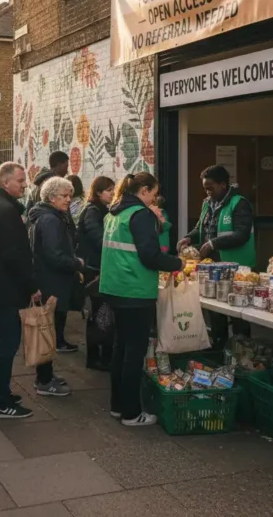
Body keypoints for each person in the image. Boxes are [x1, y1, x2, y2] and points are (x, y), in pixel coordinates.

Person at [100, 172, 184, 427]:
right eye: (154, 193)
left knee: (120, 349)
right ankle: (131, 413)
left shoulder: (114, 213)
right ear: (144, 190)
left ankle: (118, 406)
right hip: (135, 290)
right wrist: (179, 263)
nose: (155, 198)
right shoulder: (141, 214)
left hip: (115, 287)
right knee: (133, 354)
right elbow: (150, 255)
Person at [0, 162, 40, 419]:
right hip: (6, 289)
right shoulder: (4, 210)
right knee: (5, 345)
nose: (25, 184)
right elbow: (13, 255)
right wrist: (32, 286)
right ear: (5, 183)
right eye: (20, 180)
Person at [27, 176, 83, 397]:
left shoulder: (45, 216)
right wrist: (76, 263)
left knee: (46, 329)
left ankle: (46, 375)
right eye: (64, 195)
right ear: (51, 197)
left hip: (48, 279)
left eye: (70, 195)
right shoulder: (50, 220)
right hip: (51, 281)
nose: (69, 199)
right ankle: (44, 380)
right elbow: (54, 255)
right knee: (46, 330)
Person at [177, 165, 255, 267]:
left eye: (211, 188)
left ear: (223, 184)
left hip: (238, 267)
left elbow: (242, 235)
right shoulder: (206, 203)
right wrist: (188, 238)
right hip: (212, 264)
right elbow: (200, 228)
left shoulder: (239, 203)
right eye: (205, 189)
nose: (208, 192)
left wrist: (212, 244)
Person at [76, 176, 116, 370]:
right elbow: (99, 238)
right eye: (109, 190)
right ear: (99, 192)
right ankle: (97, 357)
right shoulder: (94, 211)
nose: (112, 193)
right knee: (99, 314)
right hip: (94, 269)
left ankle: (99, 356)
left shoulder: (102, 210)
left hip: (96, 267)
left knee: (100, 314)